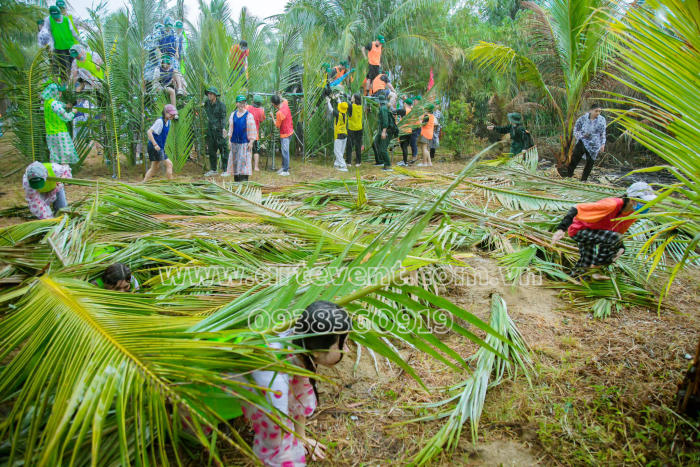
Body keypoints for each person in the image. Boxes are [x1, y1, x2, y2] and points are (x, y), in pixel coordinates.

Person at [241, 300, 352, 467]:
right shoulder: (273, 382)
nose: (347, 350)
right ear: (316, 351)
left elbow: (300, 392)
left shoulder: (301, 341)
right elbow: (275, 443)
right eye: (342, 344)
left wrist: (300, 438)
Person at [551, 181, 657, 279]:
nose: (647, 205)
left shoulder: (633, 213)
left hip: (596, 233)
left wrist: (621, 248)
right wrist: (561, 229)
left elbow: (619, 231)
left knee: (585, 265)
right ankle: (595, 269)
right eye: (644, 202)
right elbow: (576, 208)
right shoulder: (612, 204)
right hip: (580, 230)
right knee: (614, 239)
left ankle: (574, 280)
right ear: (633, 199)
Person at [558, 103, 607, 181]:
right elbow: (576, 129)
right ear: (591, 110)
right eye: (596, 111)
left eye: (599, 111)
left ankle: (583, 180)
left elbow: (603, 133)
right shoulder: (583, 118)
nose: (598, 113)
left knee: (589, 163)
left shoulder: (602, 120)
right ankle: (568, 176)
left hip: (594, 144)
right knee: (574, 159)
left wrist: (603, 144)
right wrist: (581, 135)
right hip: (583, 142)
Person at [42, 82, 79, 165]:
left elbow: (58, 105)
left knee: (54, 156)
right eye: (59, 91)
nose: (61, 93)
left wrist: (66, 105)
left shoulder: (47, 102)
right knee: (65, 155)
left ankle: (56, 174)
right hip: (60, 133)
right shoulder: (55, 104)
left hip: (50, 134)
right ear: (55, 92)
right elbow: (67, 117)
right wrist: (73, 112)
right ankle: (65, 174)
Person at [225, 95, 257, 182]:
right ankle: (237, 181)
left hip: (244, 143)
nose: (242, 104)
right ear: (236, 103)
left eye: (244, 102)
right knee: (235, 163)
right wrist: (229, 140)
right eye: (240, 102)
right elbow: (231, 129)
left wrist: (251, 142)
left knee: (244, 163)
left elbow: (252, 129)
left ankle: (244, 181)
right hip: (234, 143)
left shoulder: (248, 116)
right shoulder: (233, 115)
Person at [144, 104, 177, 182]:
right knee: (169, 164)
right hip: (155, 147)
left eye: (173, 114)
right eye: (170, 113)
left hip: (158, 147)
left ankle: (143, 183)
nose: (172, 115)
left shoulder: (168, 122)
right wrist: (155, 144)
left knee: (154, 168)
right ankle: (171, 184)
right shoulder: (160, 121)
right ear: (164, 113)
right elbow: (149, 132)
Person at [45, 5, 80, 79]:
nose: (56, 18)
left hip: (70, 46)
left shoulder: (67, 19)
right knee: (64, 66)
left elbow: (73, 32)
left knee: (72, 65)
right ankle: (64, 83)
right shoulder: (49, 20)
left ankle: (70, 83)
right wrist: (51, 45)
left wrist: (80, 41)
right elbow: (49, 33)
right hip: (59, 48)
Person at [203, 87, 228, 176]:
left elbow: (223, 117)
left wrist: (224, 128)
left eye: (211, 94)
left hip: (219, 130)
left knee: (223, 150)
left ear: (215, 95)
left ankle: (225, 170)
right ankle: (213, 169)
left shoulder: (221, 105)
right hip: (210, 130)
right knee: (211, 150)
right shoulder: (207, 103)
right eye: (208, 93)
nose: (209, 95)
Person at [326, 94, 350, 172]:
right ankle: (337, 164)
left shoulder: (338, 114)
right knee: (341, 151)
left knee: (337, 151)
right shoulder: (345, 114)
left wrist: (328, 101)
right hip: (345, 134)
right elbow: (341, 105)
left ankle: (343, 166)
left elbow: (331, 109)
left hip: (339, 134)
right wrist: (338, 98)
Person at [271, 94, 293, 176]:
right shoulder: (285, 104)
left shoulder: (279, 113)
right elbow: (285, 100)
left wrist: (272, 117)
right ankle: (283, 167)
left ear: (273, 104)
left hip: (285, 134)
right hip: (290, 131)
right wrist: (280, 97)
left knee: (285, 152)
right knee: (285, 151)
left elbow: (277, 125)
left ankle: (286, 171)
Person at [374, 94, 394, 171]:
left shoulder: (383, 109)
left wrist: (383, 132)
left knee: (383, 149)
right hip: (382, 130)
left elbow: (385, 121)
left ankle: (388, 165)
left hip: (386, 131)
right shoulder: (382, 108)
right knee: (376, 142)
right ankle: (382, 161)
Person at [247, 94, 266, 172]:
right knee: (256, 151)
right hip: (255, 135)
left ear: (253, 101)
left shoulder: (247, 107)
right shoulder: (261, 111)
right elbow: (262, 120)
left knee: (247, 150)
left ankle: (248, 166)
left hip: (246, 133)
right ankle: (256, 167)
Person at [345, 93, 363, 167]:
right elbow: (350, 101)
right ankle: (358, 162)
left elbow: (345, 105)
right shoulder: (361, 107)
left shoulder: (351, 106)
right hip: (359, 128)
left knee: (349, 146)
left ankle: (348, 162)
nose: (351, 97)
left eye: (352, 97)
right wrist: (347, 96)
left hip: (351, 129)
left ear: (355, 99)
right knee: (358, 145)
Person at [395, 98, 413, 166]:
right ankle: (404, 161)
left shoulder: (404, 110)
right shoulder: (411, 111)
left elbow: (395, 111)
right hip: (409, 130)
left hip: (404, 131)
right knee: (405, 146)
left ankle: (405, 162)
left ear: (405, 103)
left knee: (403, 146)